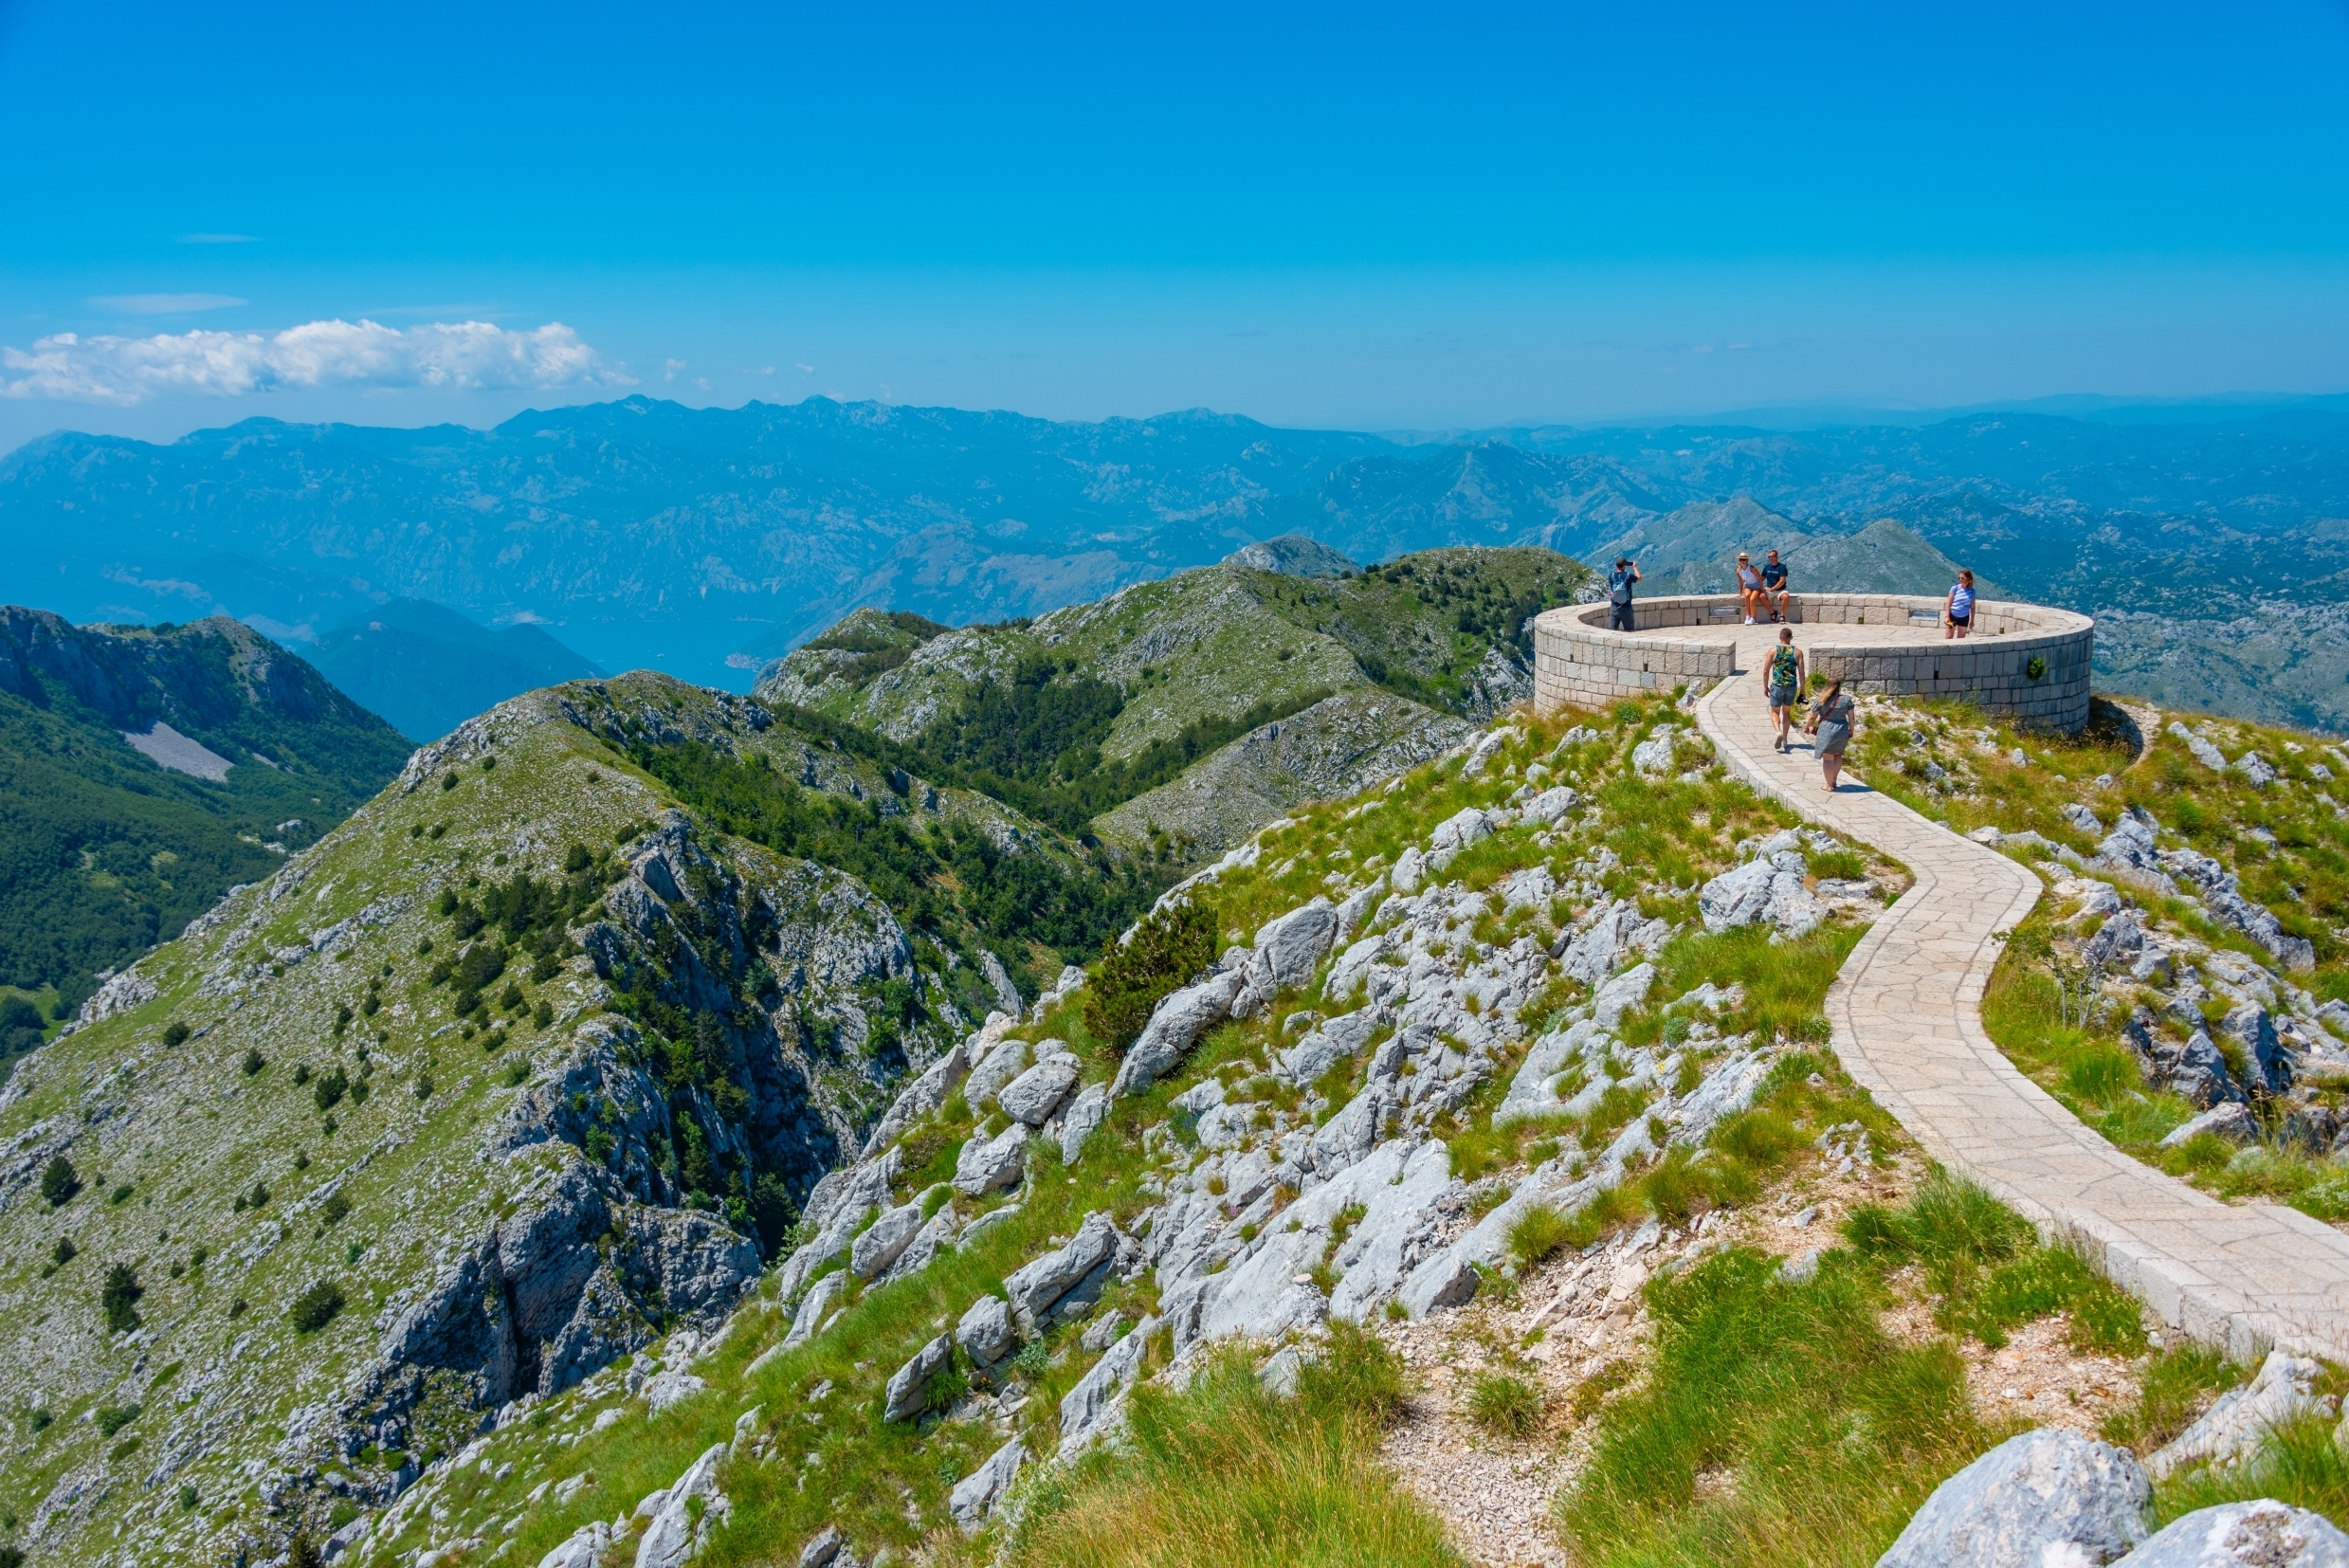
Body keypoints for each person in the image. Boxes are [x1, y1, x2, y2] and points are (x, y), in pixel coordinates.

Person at [1807, 675, 1857, 793]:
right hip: (1842, 729)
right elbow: (1851, 716)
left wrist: (1807, 726)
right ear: (1839, 686)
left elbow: (1812, 716)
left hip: (1827, 730)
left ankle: (1829, 785)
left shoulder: (1821, 700)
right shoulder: (1846, 699)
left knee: (1827, 758)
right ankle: (1834, 780)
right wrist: (1852, 729)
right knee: (1838, 754)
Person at [1763, 626, 1806, 753]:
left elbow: (1765, 671)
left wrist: (1765, 686)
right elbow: (1802, 672)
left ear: (1780, 637)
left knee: (1775, 712)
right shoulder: (1798, 652)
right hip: (1791, 685)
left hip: (1777, 685)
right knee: (1786, 712)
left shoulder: (1773, 651)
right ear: (1791, 638)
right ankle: (1785, 739)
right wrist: (1803, 690)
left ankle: (1777, 732)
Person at [1607, 556, 1640, 632]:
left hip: (1614, 607)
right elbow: (1639, 578)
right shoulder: (1628, 576)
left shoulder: (1611, 576)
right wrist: (1634, 567)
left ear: (1616, 565)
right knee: (1629, 631)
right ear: (1625, 565)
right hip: (1626, 607)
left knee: (1612, 631)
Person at [1944, 568, 1976, 640]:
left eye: (1962, 578)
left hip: (1964, 617)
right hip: (1952, 616)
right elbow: (1949, 603)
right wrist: (1947, 616)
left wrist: (1972, 621)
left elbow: (1972, 607)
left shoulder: (1972, 591)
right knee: (1949, 636)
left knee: (1961, 638)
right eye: (1959, 578)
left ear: (1968, 578)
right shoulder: (1955, 588)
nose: (1960, 580)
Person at [1759, 548, 1790, 622]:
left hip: (1780, 590)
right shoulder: (1767, 567)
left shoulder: (1782, 567)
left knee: (1786, 597)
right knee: (1761, 596)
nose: (1770, 558)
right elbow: (1761, 579)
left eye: (1772, 556)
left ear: (1776, 557)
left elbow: (1782, 581)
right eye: (1769, 557)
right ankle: (1772, 613)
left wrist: (1772, 588)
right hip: (1769, 590)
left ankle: (1782, 615)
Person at [1735, 552, 1765, 624]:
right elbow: (1741, 582)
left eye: (1744, 560)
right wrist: (1740, 593)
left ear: (1747, 561)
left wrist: (1762, 590)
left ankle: (1753, 617)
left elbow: (1760, 579)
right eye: (1741, 559)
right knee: (1747, 596)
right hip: (1748, 585)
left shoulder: (1752, 568)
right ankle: (1747, 616)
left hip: (1756, 586)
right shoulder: (1739, 571)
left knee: (1752, 599)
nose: (1742, 561)